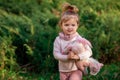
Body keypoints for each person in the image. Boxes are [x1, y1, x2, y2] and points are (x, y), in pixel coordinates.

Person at [53, 3, 92, 80]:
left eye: (73, 25)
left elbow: (89, 52)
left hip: (76, 69)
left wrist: (79, 57)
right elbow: (56, 54)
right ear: (61, 25)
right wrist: (67, 57)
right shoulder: (58, 39)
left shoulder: (79, 39)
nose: (70, 27)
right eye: (66, 25)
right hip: (63, 70)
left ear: (77, 25)